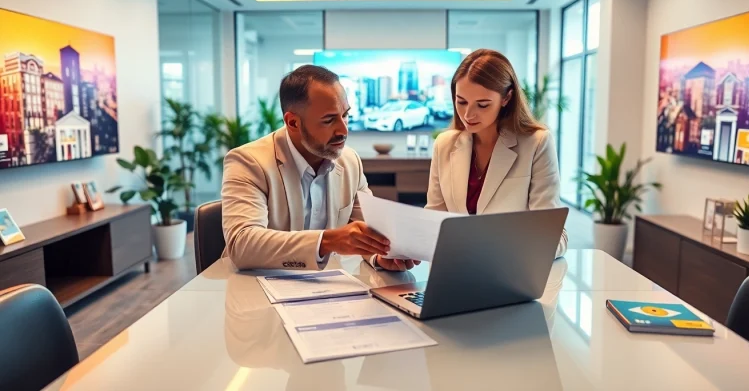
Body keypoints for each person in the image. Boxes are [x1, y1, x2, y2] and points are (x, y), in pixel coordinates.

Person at [221, 65, 419, 271]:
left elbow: (367, 233)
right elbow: (242, 245)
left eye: (346, 115)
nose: (343, 130)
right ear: (293, 122)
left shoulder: (350, 161)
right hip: (254, 290)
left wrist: (380, 256)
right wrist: (327, 241)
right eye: (329, 120)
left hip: (327, 290)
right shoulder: (248, 162)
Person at [425, 49, 568, 258]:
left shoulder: (537, 143)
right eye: (461, 101)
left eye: (482, 105)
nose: (468, 114)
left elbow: (554, 235)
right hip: (455, 268)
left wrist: (510, 251)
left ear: (507, 97)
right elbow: (434, 218)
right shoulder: (445, 144)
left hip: (510, 271)